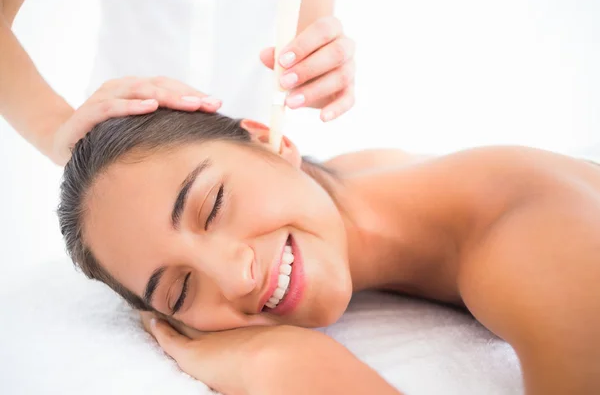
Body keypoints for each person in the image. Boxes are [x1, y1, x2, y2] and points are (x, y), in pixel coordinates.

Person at [58, 109, 600, 395]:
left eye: (213, 205)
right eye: (180, 289)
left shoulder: (536, 243)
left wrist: (281, 363)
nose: (236, 278)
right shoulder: (354, 177)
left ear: (271, 140)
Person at [0, 0, 355, 165]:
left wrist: (318, 75)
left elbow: (304, 36)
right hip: (123, 163)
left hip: (261, 157)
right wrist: (54, 130)